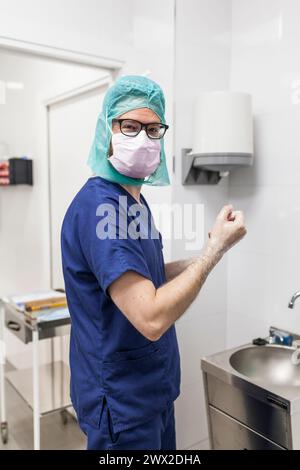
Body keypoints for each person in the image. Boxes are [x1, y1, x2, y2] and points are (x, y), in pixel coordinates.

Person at [61, 75, 246, 450]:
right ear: (106, 130)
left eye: (152, 128)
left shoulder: (134, 204)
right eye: (129, 126)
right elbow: (150, 316)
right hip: (121, 402)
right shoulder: (101, 207)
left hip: (150, 392)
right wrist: (213, 255)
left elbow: (149, 275)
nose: (142, 138)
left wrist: (213, 247)